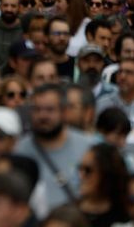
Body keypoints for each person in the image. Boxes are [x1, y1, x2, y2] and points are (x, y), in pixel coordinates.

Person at [14, 83, 95, 213]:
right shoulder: (18, 150)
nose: (43, 116)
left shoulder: (88, 148)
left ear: (64, 112)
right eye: (37, 109)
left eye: (50, 109)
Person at [76, 143, 130, 226]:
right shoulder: (67, 214)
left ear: (106, 172)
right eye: (80, 168)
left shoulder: (127, 217)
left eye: (88, 170)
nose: (81, 175)